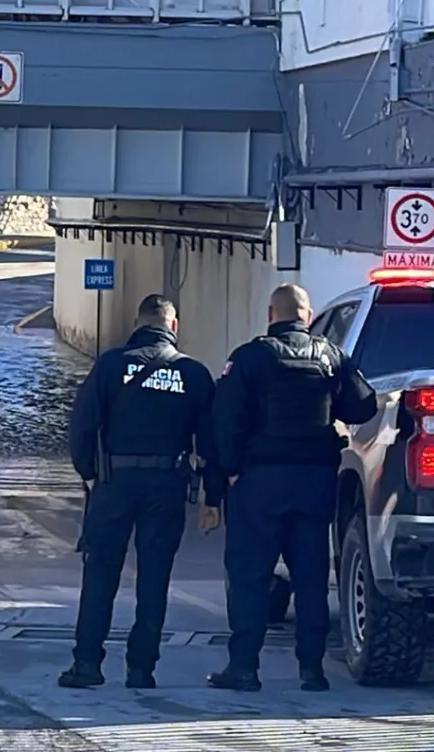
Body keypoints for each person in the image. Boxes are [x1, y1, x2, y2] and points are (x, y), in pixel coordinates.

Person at [207, 283, 378, 693]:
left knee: (250, 577)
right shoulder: (330, 357)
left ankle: (244, 669)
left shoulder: (249, 358)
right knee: (311, 577)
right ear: (308, 314)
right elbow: (364, 405)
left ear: (271, 315)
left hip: (259, 483)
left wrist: (226, 472)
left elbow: (225, 420)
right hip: (314, 482)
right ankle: (312, 671)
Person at [58, 294, 220, 691]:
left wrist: (90, 473)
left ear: (137, 322)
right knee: (154, 578)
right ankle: (141, 669)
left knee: (100, 574)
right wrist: (210, 495)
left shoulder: (111, 365)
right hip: (167, 484)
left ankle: (87, 665)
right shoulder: (194, 374)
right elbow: (213, 442)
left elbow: (82, 426)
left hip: (115, 482)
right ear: (173, 327)